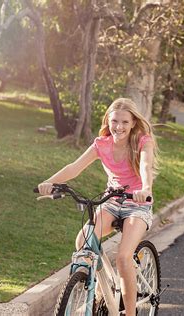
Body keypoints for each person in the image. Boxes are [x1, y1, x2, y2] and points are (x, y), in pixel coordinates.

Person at [37, 98, 158, 316]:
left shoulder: (142, 141)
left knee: (123, 258)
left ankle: (129, 313)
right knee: (83, 240)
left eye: (124, 122)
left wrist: (146, 188)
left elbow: (146, 166)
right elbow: (74, 168)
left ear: (132, 123)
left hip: (137, 204)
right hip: (111, 201)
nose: (118, 127)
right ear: (108, 121)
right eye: (114, 121)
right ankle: (103, 290)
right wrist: (50, 183)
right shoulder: (101, 144)